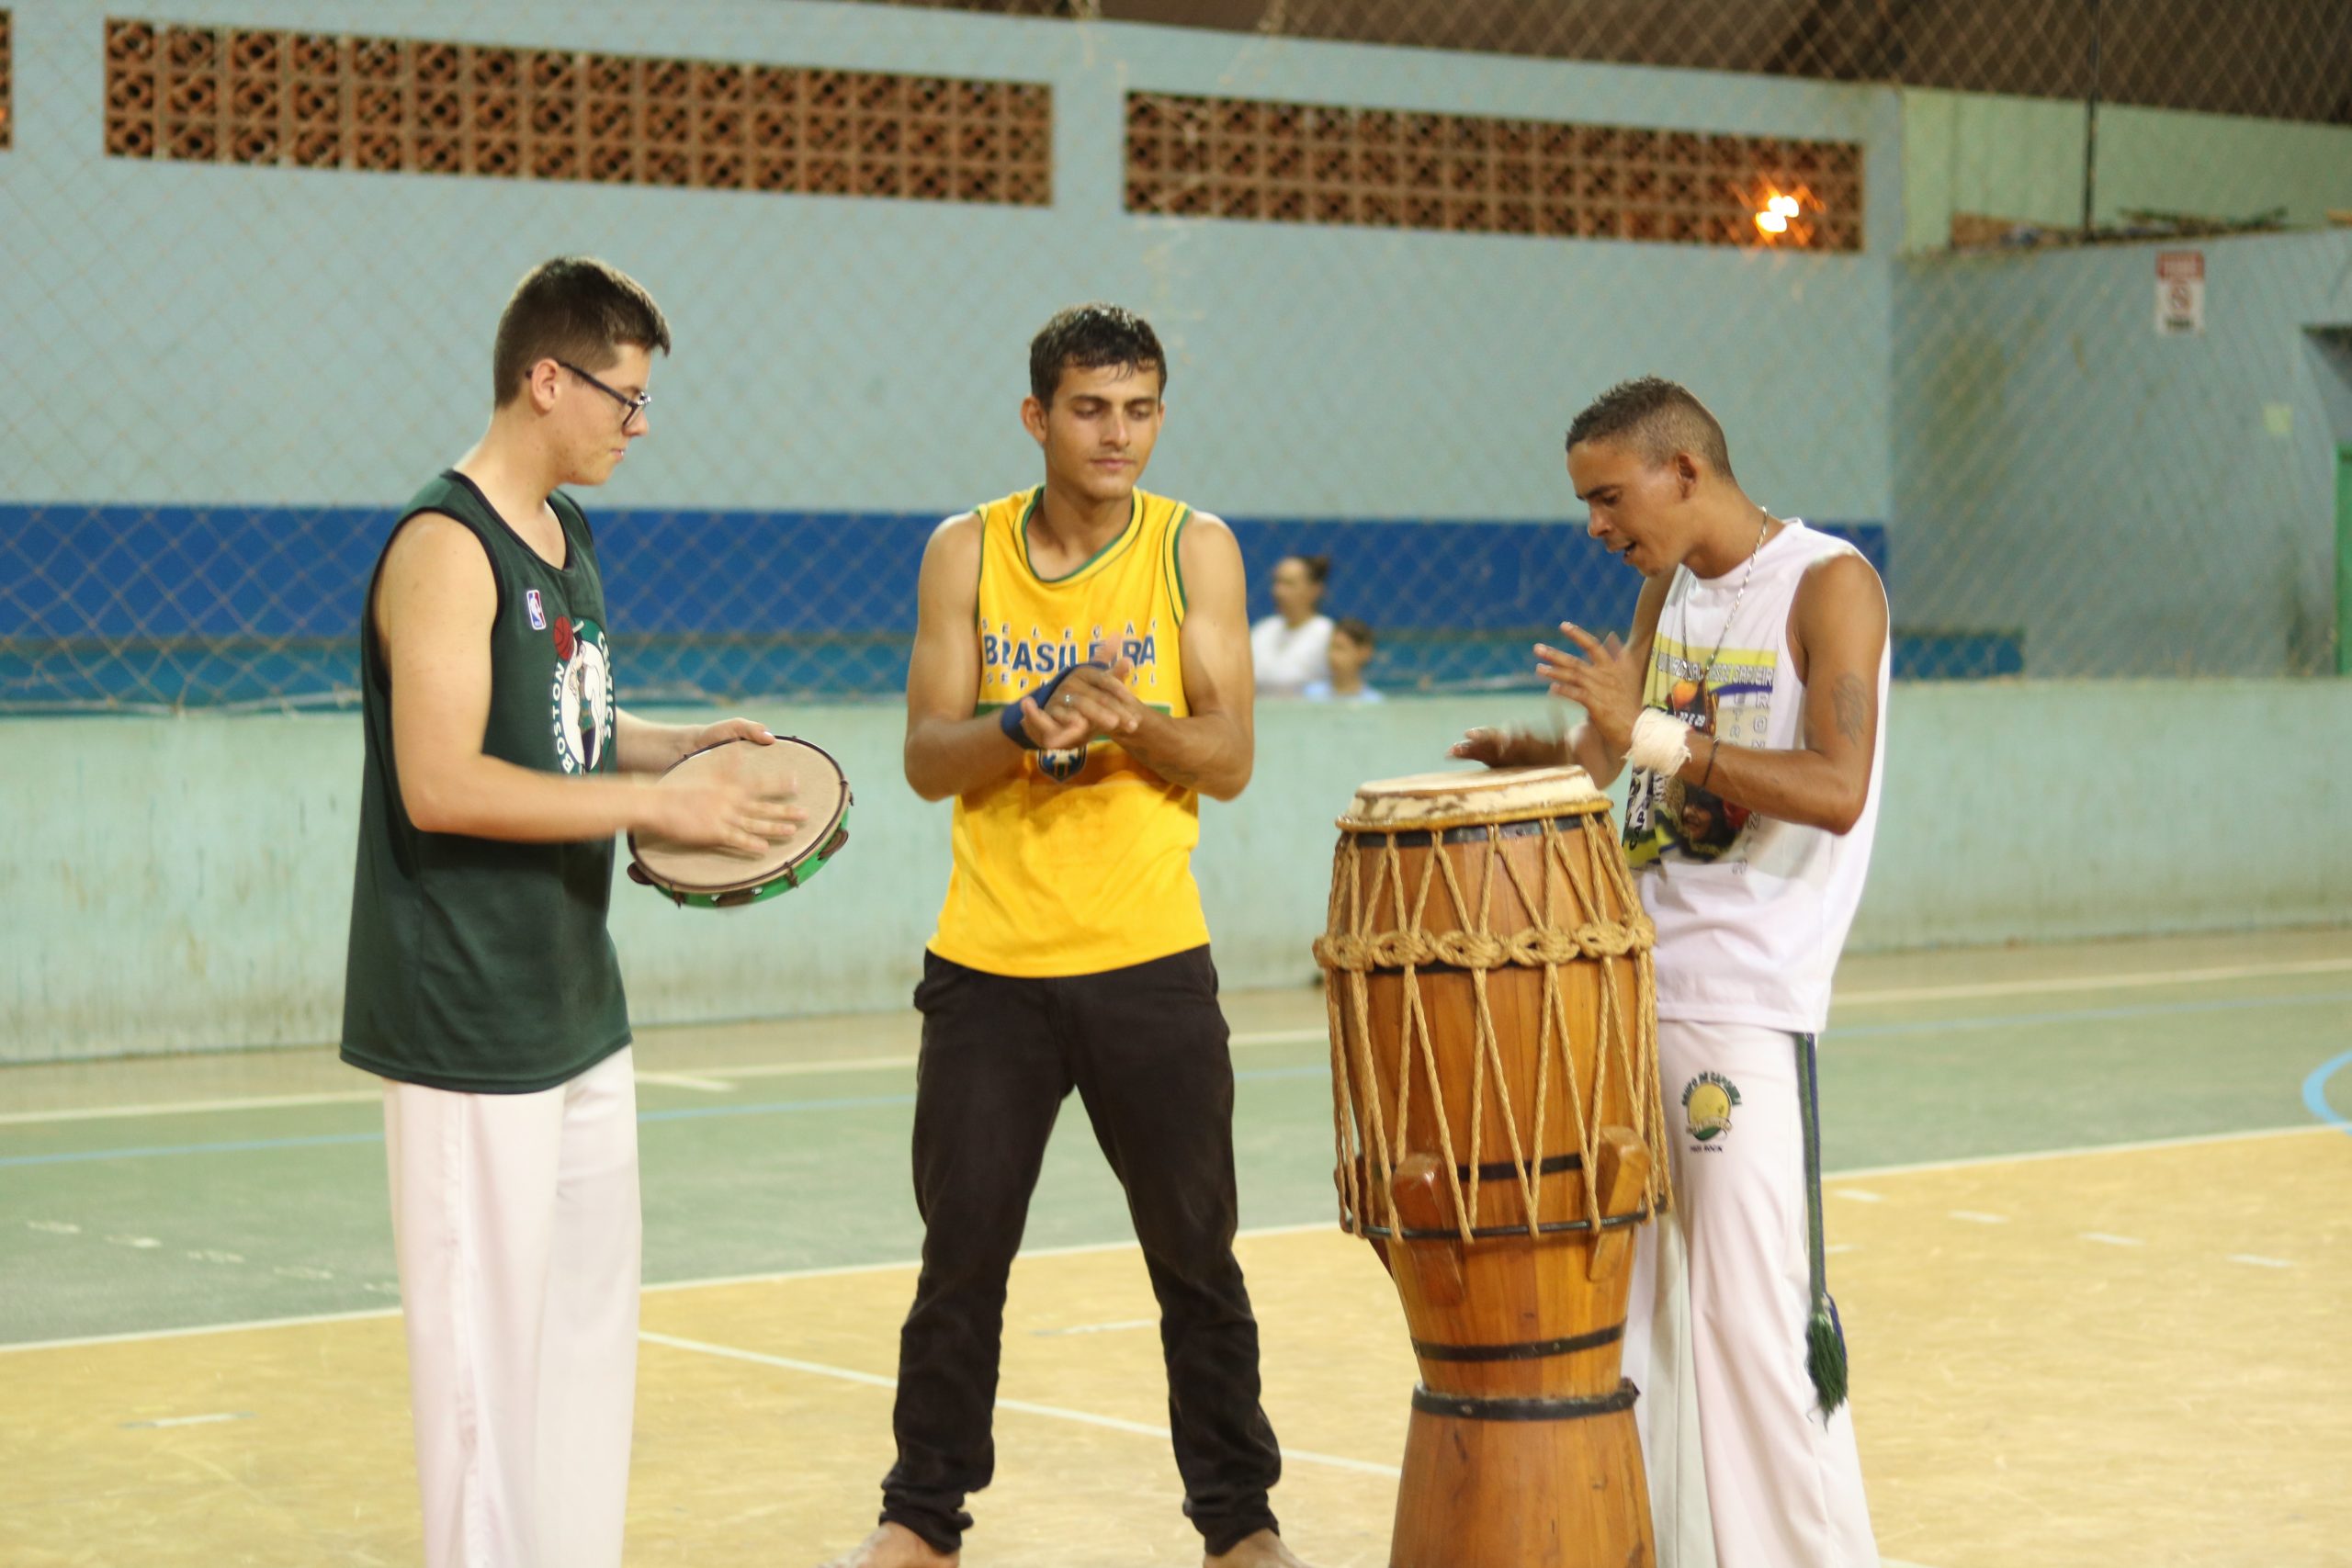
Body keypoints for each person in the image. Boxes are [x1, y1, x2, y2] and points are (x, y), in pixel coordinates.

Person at [818, 303, 1313, 1568]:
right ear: (1037, 416)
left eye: (1139, 410)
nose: (1117, 434)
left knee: (1197, 1259)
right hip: (990, 970)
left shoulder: (1195, 548)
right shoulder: (965, 551)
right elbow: (926, 758)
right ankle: (921, 1516)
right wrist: (1023, 719)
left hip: (1150, 960)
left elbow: (1231, 757)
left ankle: (1239, 1522)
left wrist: (1133, 721)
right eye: (1090, 409)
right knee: (961, 1262)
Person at [341, 255, 800, 1568]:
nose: (639, 424)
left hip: (573, 1000)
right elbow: (442, 782)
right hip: (466, 1012)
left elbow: (564, 727)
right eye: (625, 396)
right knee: (484, 1381)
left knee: (584, 1346)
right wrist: (655, 809)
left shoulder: (563, 533)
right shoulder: (446, 546)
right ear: (547, 380)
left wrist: (674, 748)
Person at [1453, 375, 1887, 1568]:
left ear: (1684, 469)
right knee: (1633, 1318)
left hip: (1744, 1001)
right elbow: (1616, 754)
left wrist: (1649, 732)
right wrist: (1537, 757)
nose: (1596, 525)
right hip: (1631, 977)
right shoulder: (1669, 583)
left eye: (1608, 496)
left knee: (1752, 1318)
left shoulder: (1828, 582)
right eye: (1585, 503)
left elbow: (1835, 787)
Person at [1249, 553, 1333, 696]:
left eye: (1289, 584)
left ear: (1315, 590)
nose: (1278, 591)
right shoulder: (1262, 630)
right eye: (1276, 582)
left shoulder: (1328, 635)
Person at [1300, 616, 1382, 703]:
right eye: (1331, 648)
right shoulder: (1309, 695)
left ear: (1363, 653)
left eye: (1340, 648)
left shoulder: (1374, 702)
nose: (1332, 655)